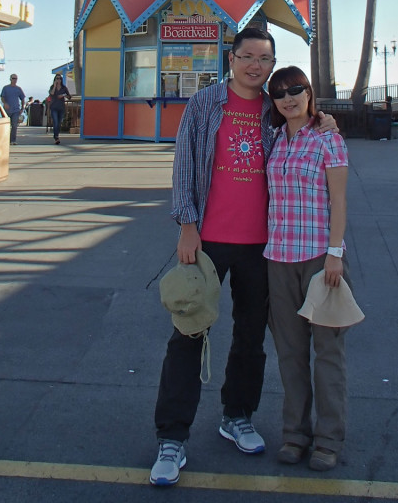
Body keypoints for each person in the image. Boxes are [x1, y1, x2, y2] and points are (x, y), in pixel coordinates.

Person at [149, 27, 337, 487]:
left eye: (265, 58)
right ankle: (172, 438)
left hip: (264, 246)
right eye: (248, 56)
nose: (256, 65)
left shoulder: (278, 110)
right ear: (231, 59)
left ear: (273, 64)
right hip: (207, 242)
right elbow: (185, 165)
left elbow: (310, 128)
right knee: (188, 335)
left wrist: (324, 119)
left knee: (251, 338)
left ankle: (237, 415)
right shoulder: (205, 104)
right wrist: (187, 226)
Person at [264, 65, 351, 472]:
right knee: (290, 354)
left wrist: (336, 253)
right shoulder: (275, 140)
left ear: (309, 92)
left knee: (327, 352)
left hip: (320, 259)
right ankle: (295, 434)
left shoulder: (327, 138)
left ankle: (329, 439)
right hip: (278, 259)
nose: (289, 98)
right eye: (280, 93)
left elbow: (339, 201)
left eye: (296, 89)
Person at [0, 74, 26, 146]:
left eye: (16, 78)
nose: (15, 80)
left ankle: (13, 140)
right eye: (13, 78)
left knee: (14, 126)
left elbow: (23, 99)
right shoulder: (5, 88)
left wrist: (22, 108)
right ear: (10, 79)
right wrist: (5, 103)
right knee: (6, 126)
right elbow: (2, 97)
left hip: (16, 110)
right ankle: (5, 140)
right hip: (7, 110)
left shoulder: (18, 89)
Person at [48, 73, 71, 145]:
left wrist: (63, 95)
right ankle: (56, 137)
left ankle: (56, 135)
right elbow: (51, 94)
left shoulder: (64, 88)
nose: (58, 80)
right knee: (55, 122)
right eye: (57, 78)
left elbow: (69, 96)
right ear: (55, 80)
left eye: (59, 78)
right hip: (54, 107)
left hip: (61, 107)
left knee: (59, 123)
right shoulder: (52, 87)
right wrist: (55, 86)